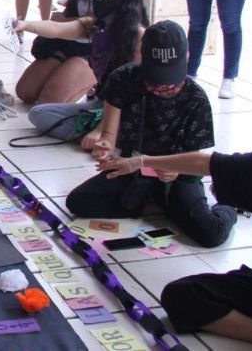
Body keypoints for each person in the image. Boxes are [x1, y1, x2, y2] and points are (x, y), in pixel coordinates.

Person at [96, 135, 252, 348]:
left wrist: (142, 161)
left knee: (183, 295)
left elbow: (207, 164)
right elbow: (208, 163)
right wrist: (140, 162)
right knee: (185, 294)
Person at [66, 21, 236, 248]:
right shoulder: (124, 78)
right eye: (155, 81)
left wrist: (174, 170)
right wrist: (104, 145)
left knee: (210, 234)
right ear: (142, 58)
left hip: (175, 174)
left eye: (170, 82)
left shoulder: (196, 99)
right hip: (129, 166)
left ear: (187, 58)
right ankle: (155, 204)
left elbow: (191, 160)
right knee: (79, 202)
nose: (163, 88)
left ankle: (230, 205)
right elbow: (108, 133)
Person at [18, 0, 147, 140]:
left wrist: (101, 129)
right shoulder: (95, 25)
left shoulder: (139, 36)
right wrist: (25, 25)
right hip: (102, 103)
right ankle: (103, 135)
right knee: (39, 113)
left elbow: (132, 93)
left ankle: (105, 135)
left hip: (125, 107)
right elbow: (58, 29)